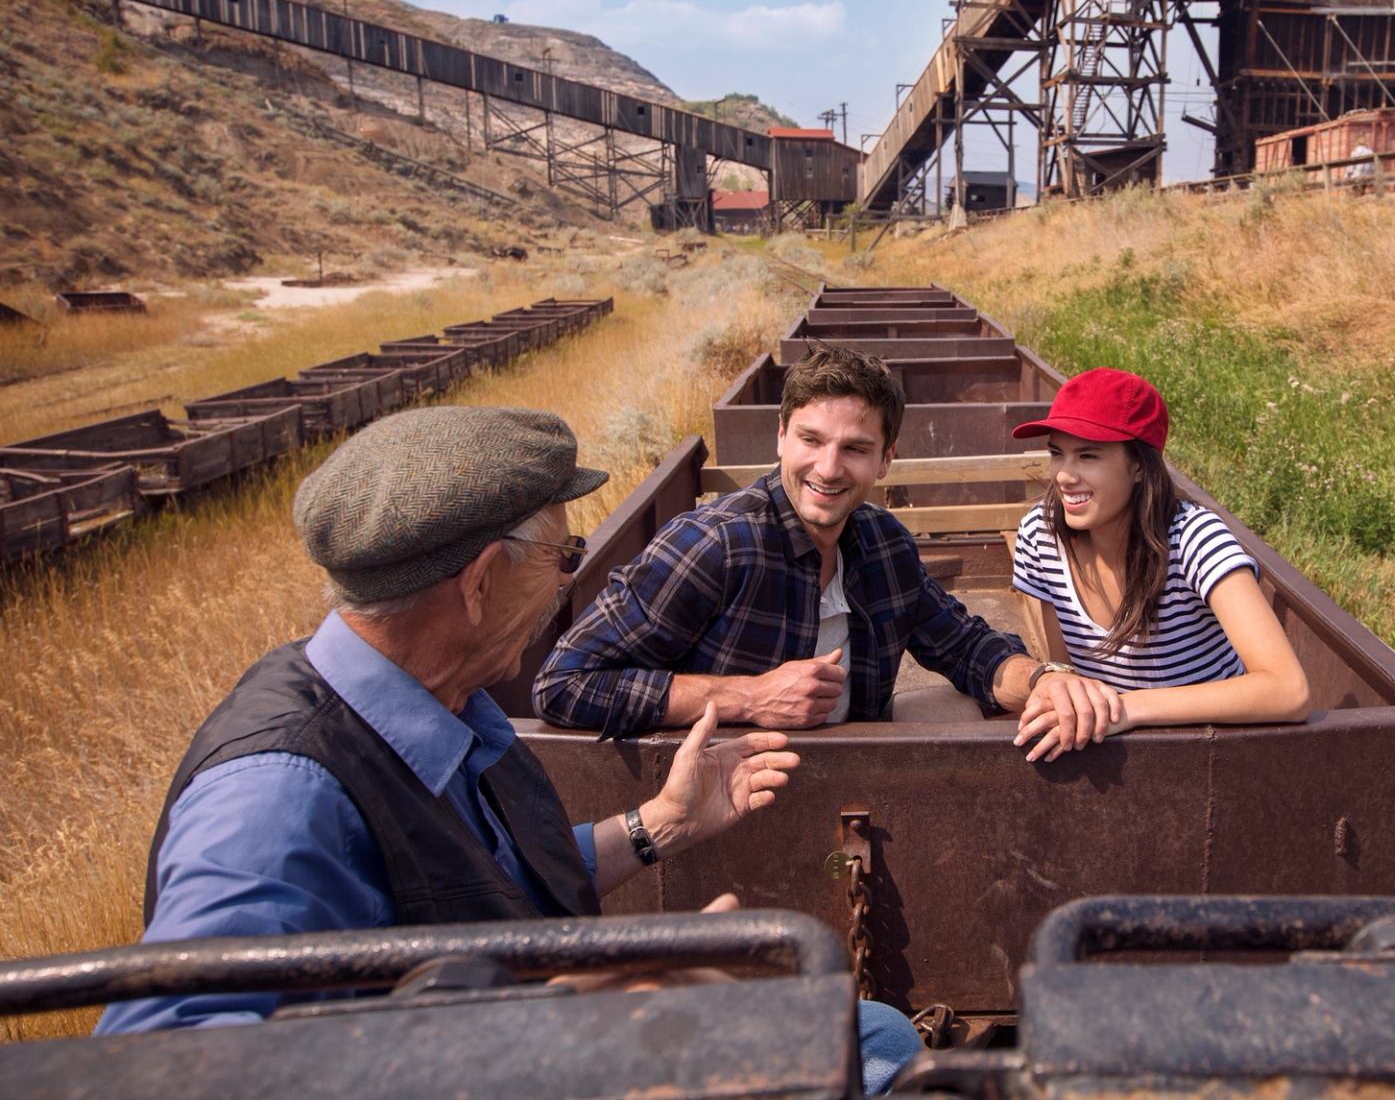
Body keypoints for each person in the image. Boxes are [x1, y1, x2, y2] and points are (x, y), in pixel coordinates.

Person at [98, 406, 919, 1092]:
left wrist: (654, 827)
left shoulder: (433, 703)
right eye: (564, 560)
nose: (568, 586)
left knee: (873, 1029)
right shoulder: (274, 796)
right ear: (481, 580)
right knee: (874, 1055)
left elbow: (465, 882)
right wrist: (543, 1017)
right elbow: (165, 1070)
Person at [535, 345, 1048, 734]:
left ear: (886, 459)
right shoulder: (715, 545)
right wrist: (747, 698)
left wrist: (1043, 680)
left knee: (996, 718)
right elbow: (562, 683)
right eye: (811, 440)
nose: (828, 468)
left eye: (855, 448)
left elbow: (966, 646)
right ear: (781, 436)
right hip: (730, 790)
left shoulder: (884, 545)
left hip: (852, 769)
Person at [1007, 369, 1312, 762]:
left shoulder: (1193, 539)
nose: (1064, 475)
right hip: (1113, 755)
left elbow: (1288, 690)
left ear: (1139, 467)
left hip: (1215, 756)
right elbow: (1069, 675)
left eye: (1088, 455)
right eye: (1056, 453)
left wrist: (1127, 708)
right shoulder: (1042, 533)